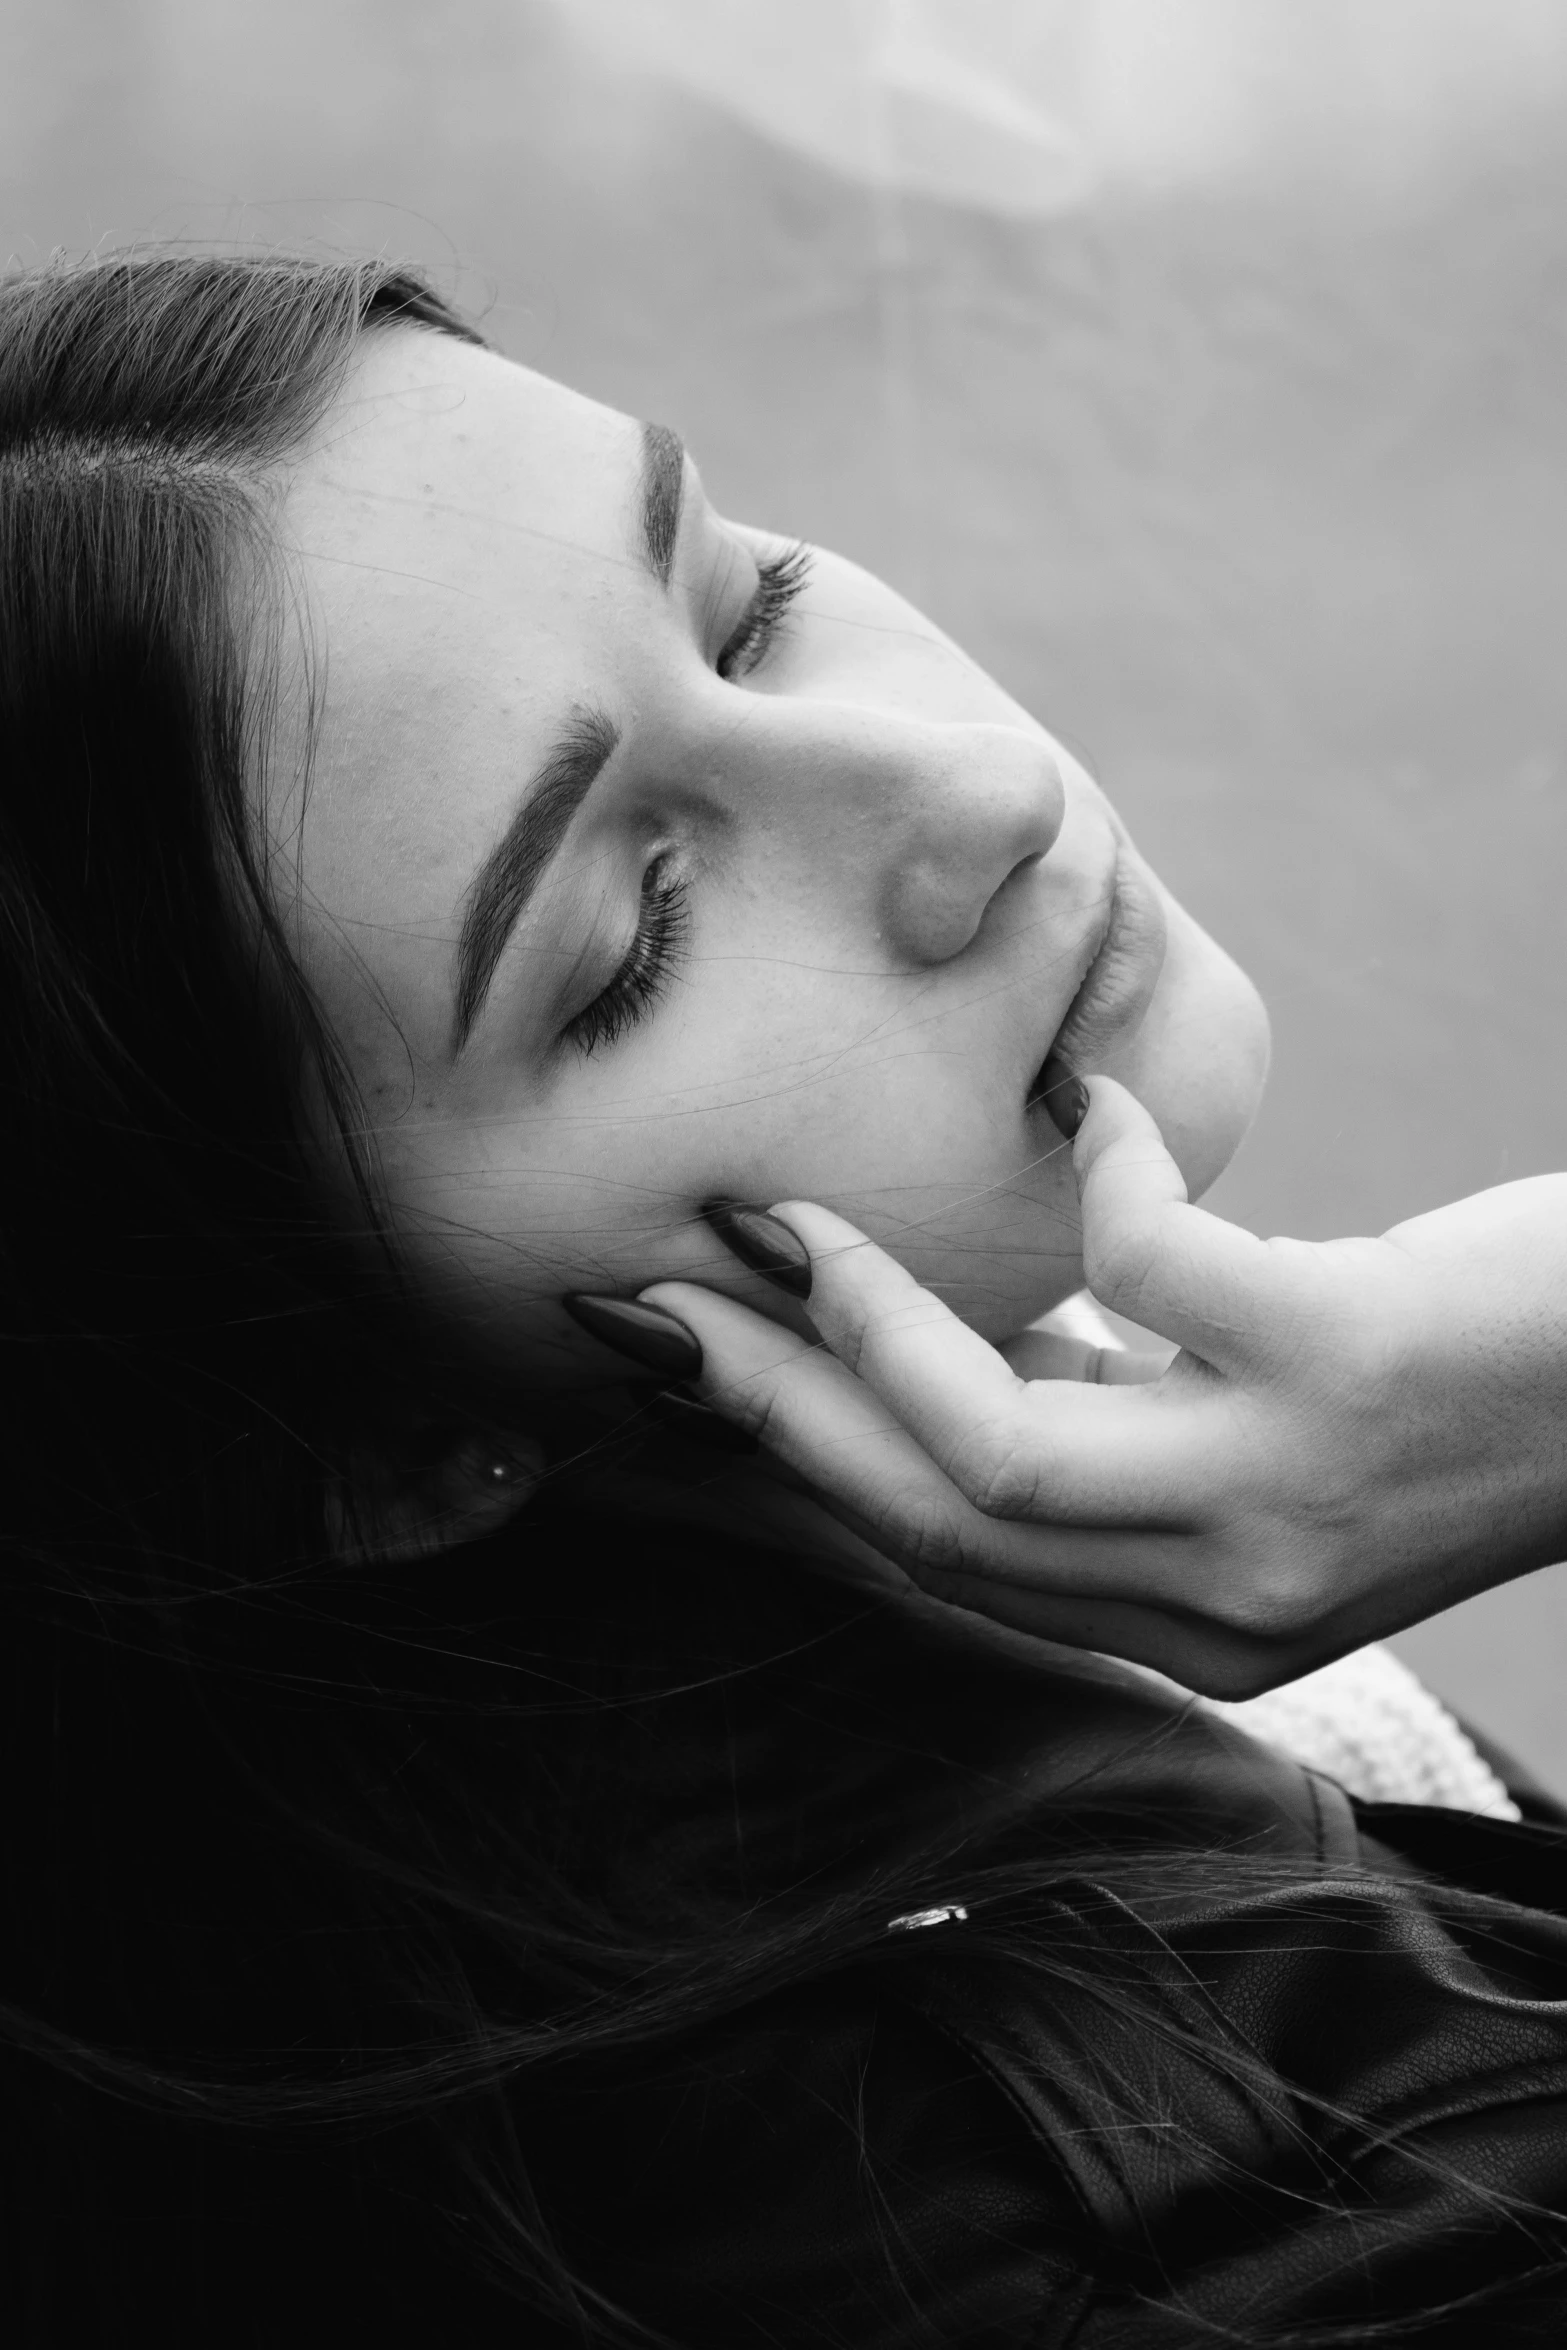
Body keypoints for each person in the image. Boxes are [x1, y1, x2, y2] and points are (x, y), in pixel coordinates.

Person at [5, 247, 1567, 2345]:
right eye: (637, 929)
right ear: (370, 1441)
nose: (978, 799)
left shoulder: (878, 1768)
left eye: (750, 602)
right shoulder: (1129, 2225)